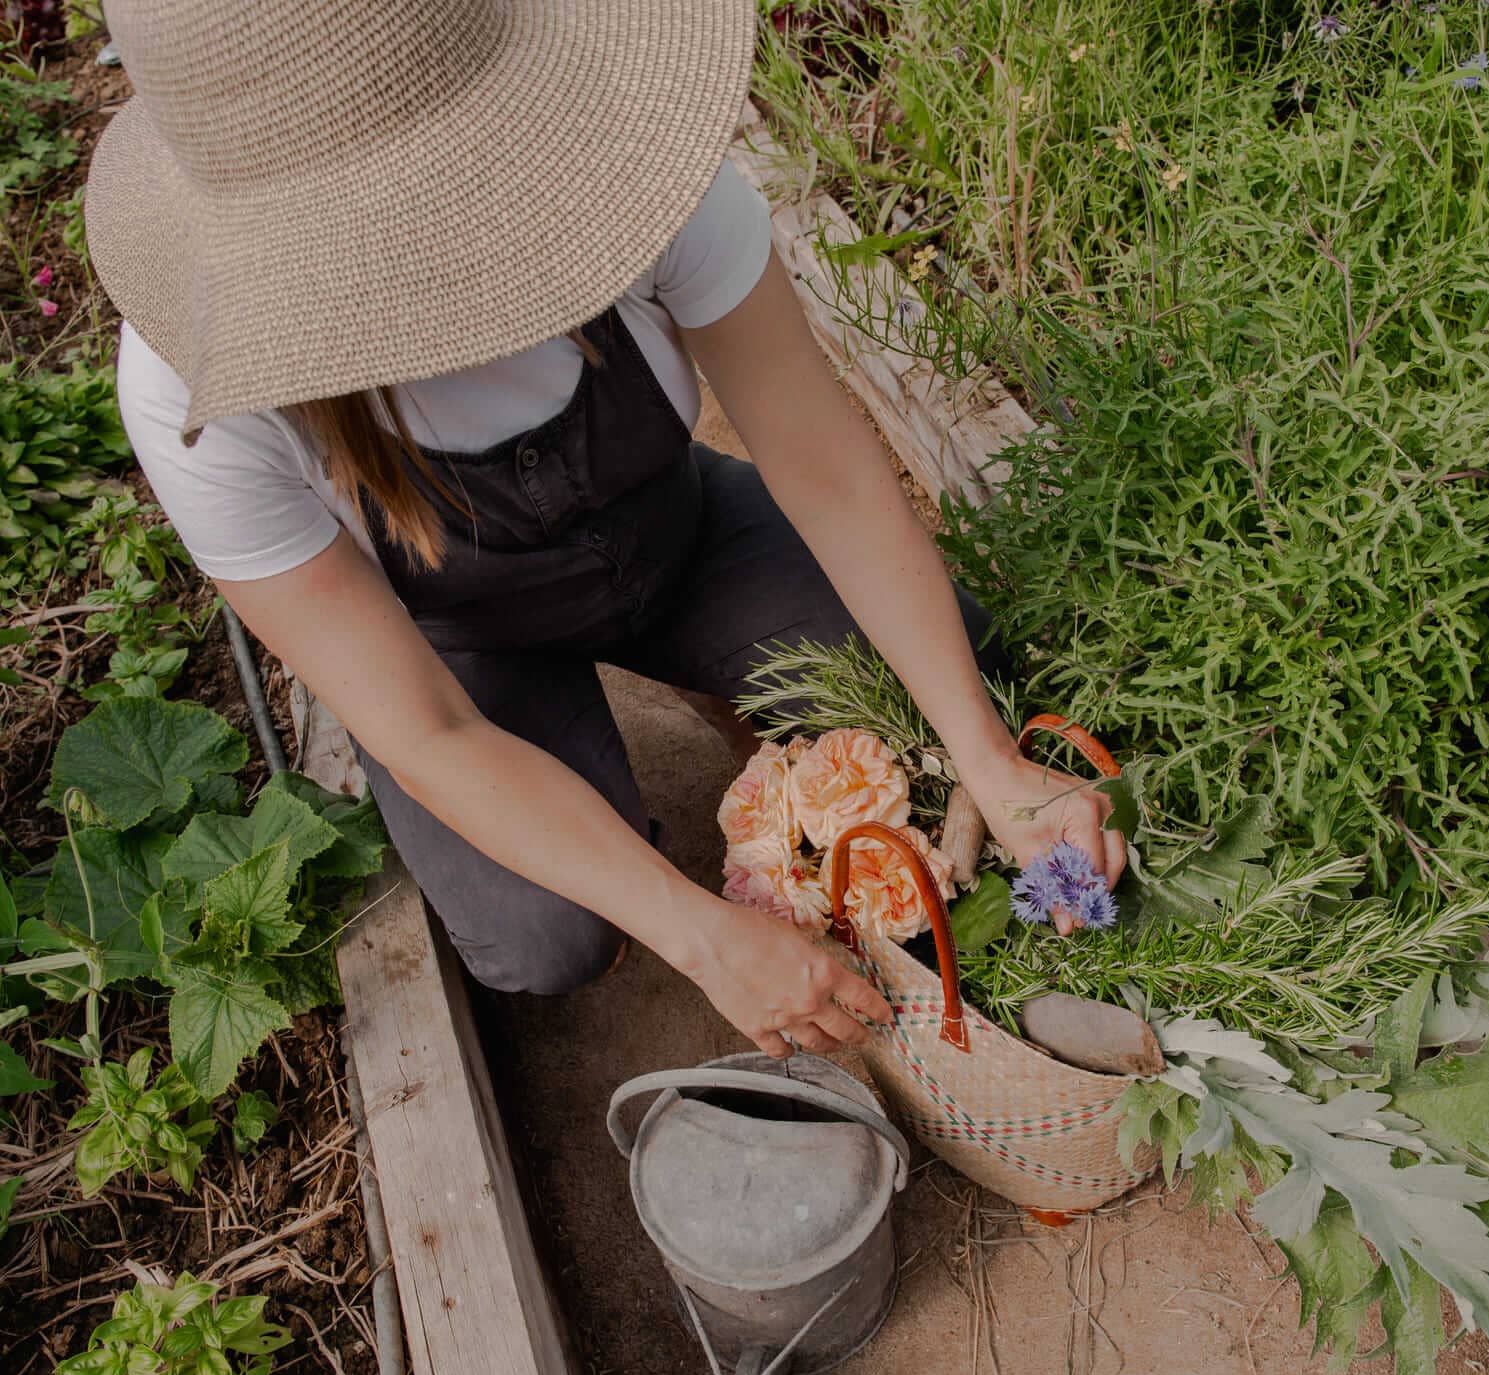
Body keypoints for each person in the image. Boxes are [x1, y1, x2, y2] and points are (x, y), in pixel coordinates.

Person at [88, 0, 1126, 1061]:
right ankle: (616, 819)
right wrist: (698, 933)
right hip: (462, 645)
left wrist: (992, 762)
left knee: (961, 681)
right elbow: (428, 734)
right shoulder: (198, 391)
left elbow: (830, 474)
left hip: (676, 536)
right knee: (550, 936)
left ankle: (721, 690)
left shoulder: (630, 167)